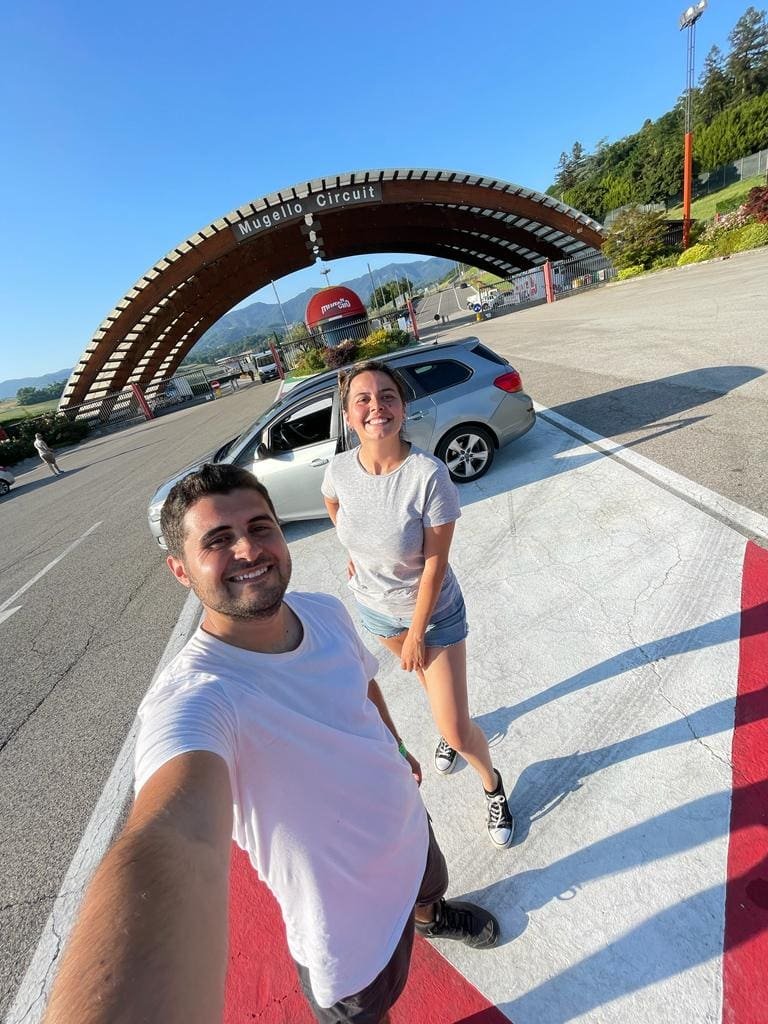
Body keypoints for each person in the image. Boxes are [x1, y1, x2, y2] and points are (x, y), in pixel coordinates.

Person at [44, 464, 499, 1024]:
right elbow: (174, 835)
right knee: (368, 1014)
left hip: (409, 830)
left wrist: (398, 747)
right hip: (347, 924)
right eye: (217, 540)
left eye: (260, 527)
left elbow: (363, 684)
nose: (248, 549)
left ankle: (431, 917)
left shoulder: (324, 611)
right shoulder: (198, 697)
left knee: (429, 892)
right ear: (180, 570)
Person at [321, 361, 514, 850]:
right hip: (377, 611)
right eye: (363, 399)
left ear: (403, 408)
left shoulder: (428, 475)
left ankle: (492, 784)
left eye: (387, 396)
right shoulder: (339, 469)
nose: (376, 407)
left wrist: (415, 634)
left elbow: (434, 566)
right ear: (348, 414)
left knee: (456, 727)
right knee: (432, 689)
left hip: (432, 615)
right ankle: (451, 728)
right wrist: (355, 552)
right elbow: (334, 505)